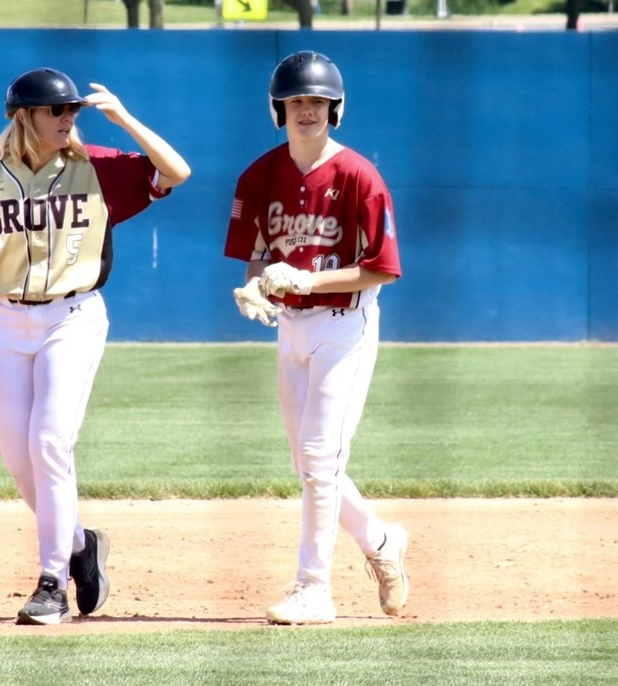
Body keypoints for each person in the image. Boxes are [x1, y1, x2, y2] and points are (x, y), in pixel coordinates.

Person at [0, 67, 190, 625]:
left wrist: (123, 118)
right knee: (17, 456)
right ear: (24, 116)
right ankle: (80, 543)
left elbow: (177, 171)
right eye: (57, 109)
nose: (68, 117)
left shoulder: (95, 165)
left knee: (50, 442)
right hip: (6, 320)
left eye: (73, 109)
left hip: (71, 317)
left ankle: (52, 582)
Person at [224, 50, 408, 625]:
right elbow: (258, 258)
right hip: (291, 328)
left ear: (336, 108)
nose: (308, 109)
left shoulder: (359, 176)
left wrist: (308, 279)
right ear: (278, 109)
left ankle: (314, 587)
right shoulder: (259, 176)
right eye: (297, 100)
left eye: (318, 101)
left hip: (344, 325)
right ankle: (381, 542)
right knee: (308, 464)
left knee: (318, 456)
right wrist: (253, 288)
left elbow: (382, 268)